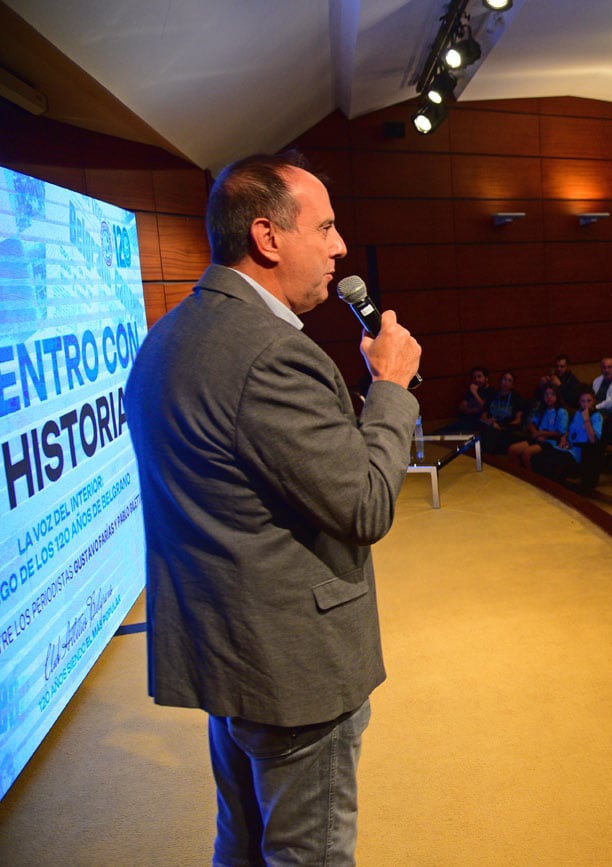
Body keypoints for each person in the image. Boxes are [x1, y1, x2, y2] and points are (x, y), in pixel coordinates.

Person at [125, 152, 423, 865]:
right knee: (306, 852)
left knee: (245, 841)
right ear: (267, 237)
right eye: (323, 227)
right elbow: (364, 503)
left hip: (228, 652)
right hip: (293, 671)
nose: (339, 246)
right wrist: (389, 386)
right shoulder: (273, 356)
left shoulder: (170, 335)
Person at [507, 383, 569, 469]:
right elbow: (531, 423)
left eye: (552, 394)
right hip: (537, 438)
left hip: (550, 442)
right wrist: (535, 432)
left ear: (557, 396)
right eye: (546, 394)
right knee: (512, 449)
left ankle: (529, 478)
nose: (549, 397)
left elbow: (560, 432)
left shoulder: (561, 412)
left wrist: (541, 433)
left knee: (526, 453)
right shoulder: (542, 409)